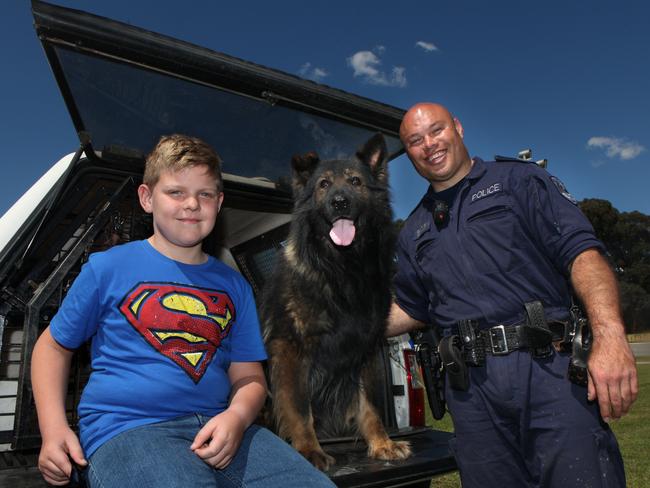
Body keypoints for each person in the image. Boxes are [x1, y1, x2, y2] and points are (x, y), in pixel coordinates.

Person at [31, 134, 336, 488]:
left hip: (220, 427)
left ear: (219, 203)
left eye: (205, 194)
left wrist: (237, 417)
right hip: (128, 429)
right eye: (175, 192)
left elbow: (249, 377)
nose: (192, 203)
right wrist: (53, 429)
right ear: (147, 198)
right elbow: (52, 346)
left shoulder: (234, 286)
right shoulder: (107, 268)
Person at [389, 103, 638, 487]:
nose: (429, 145)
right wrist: (334, 325)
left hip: (547, 371)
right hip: (472, 394)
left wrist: (610, 335)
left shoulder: (518, 181)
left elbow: (583, 255)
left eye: (436, 131)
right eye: (415, 141)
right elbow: (410, 307)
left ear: (457, 127)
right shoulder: (414, 231)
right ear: (408, 154)